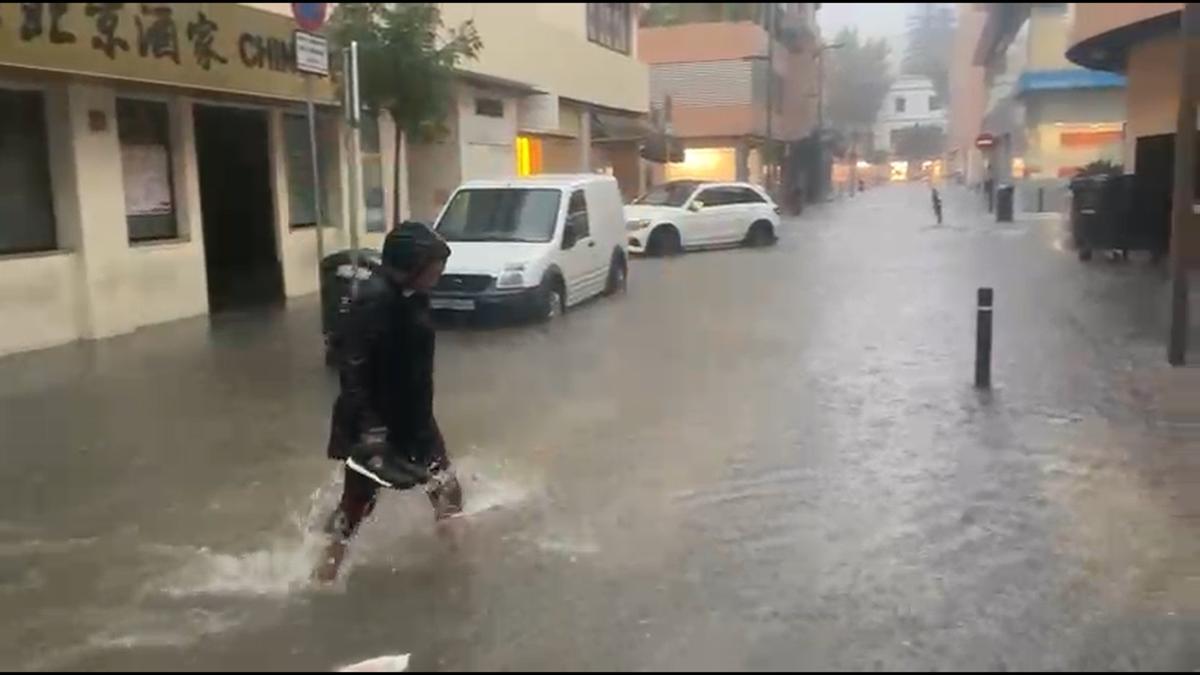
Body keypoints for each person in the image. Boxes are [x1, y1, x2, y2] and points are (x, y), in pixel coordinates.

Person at [316, 221, 461, 582]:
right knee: (357, 501)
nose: (439, 272)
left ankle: (455, 559)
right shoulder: (373, 302)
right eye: (433, 265)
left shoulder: (414, 297)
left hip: (414, 417)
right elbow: (352, 369)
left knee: (446, 487)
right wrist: (370, 427)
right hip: (375, 419)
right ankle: (324, 569)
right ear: (411, 264)